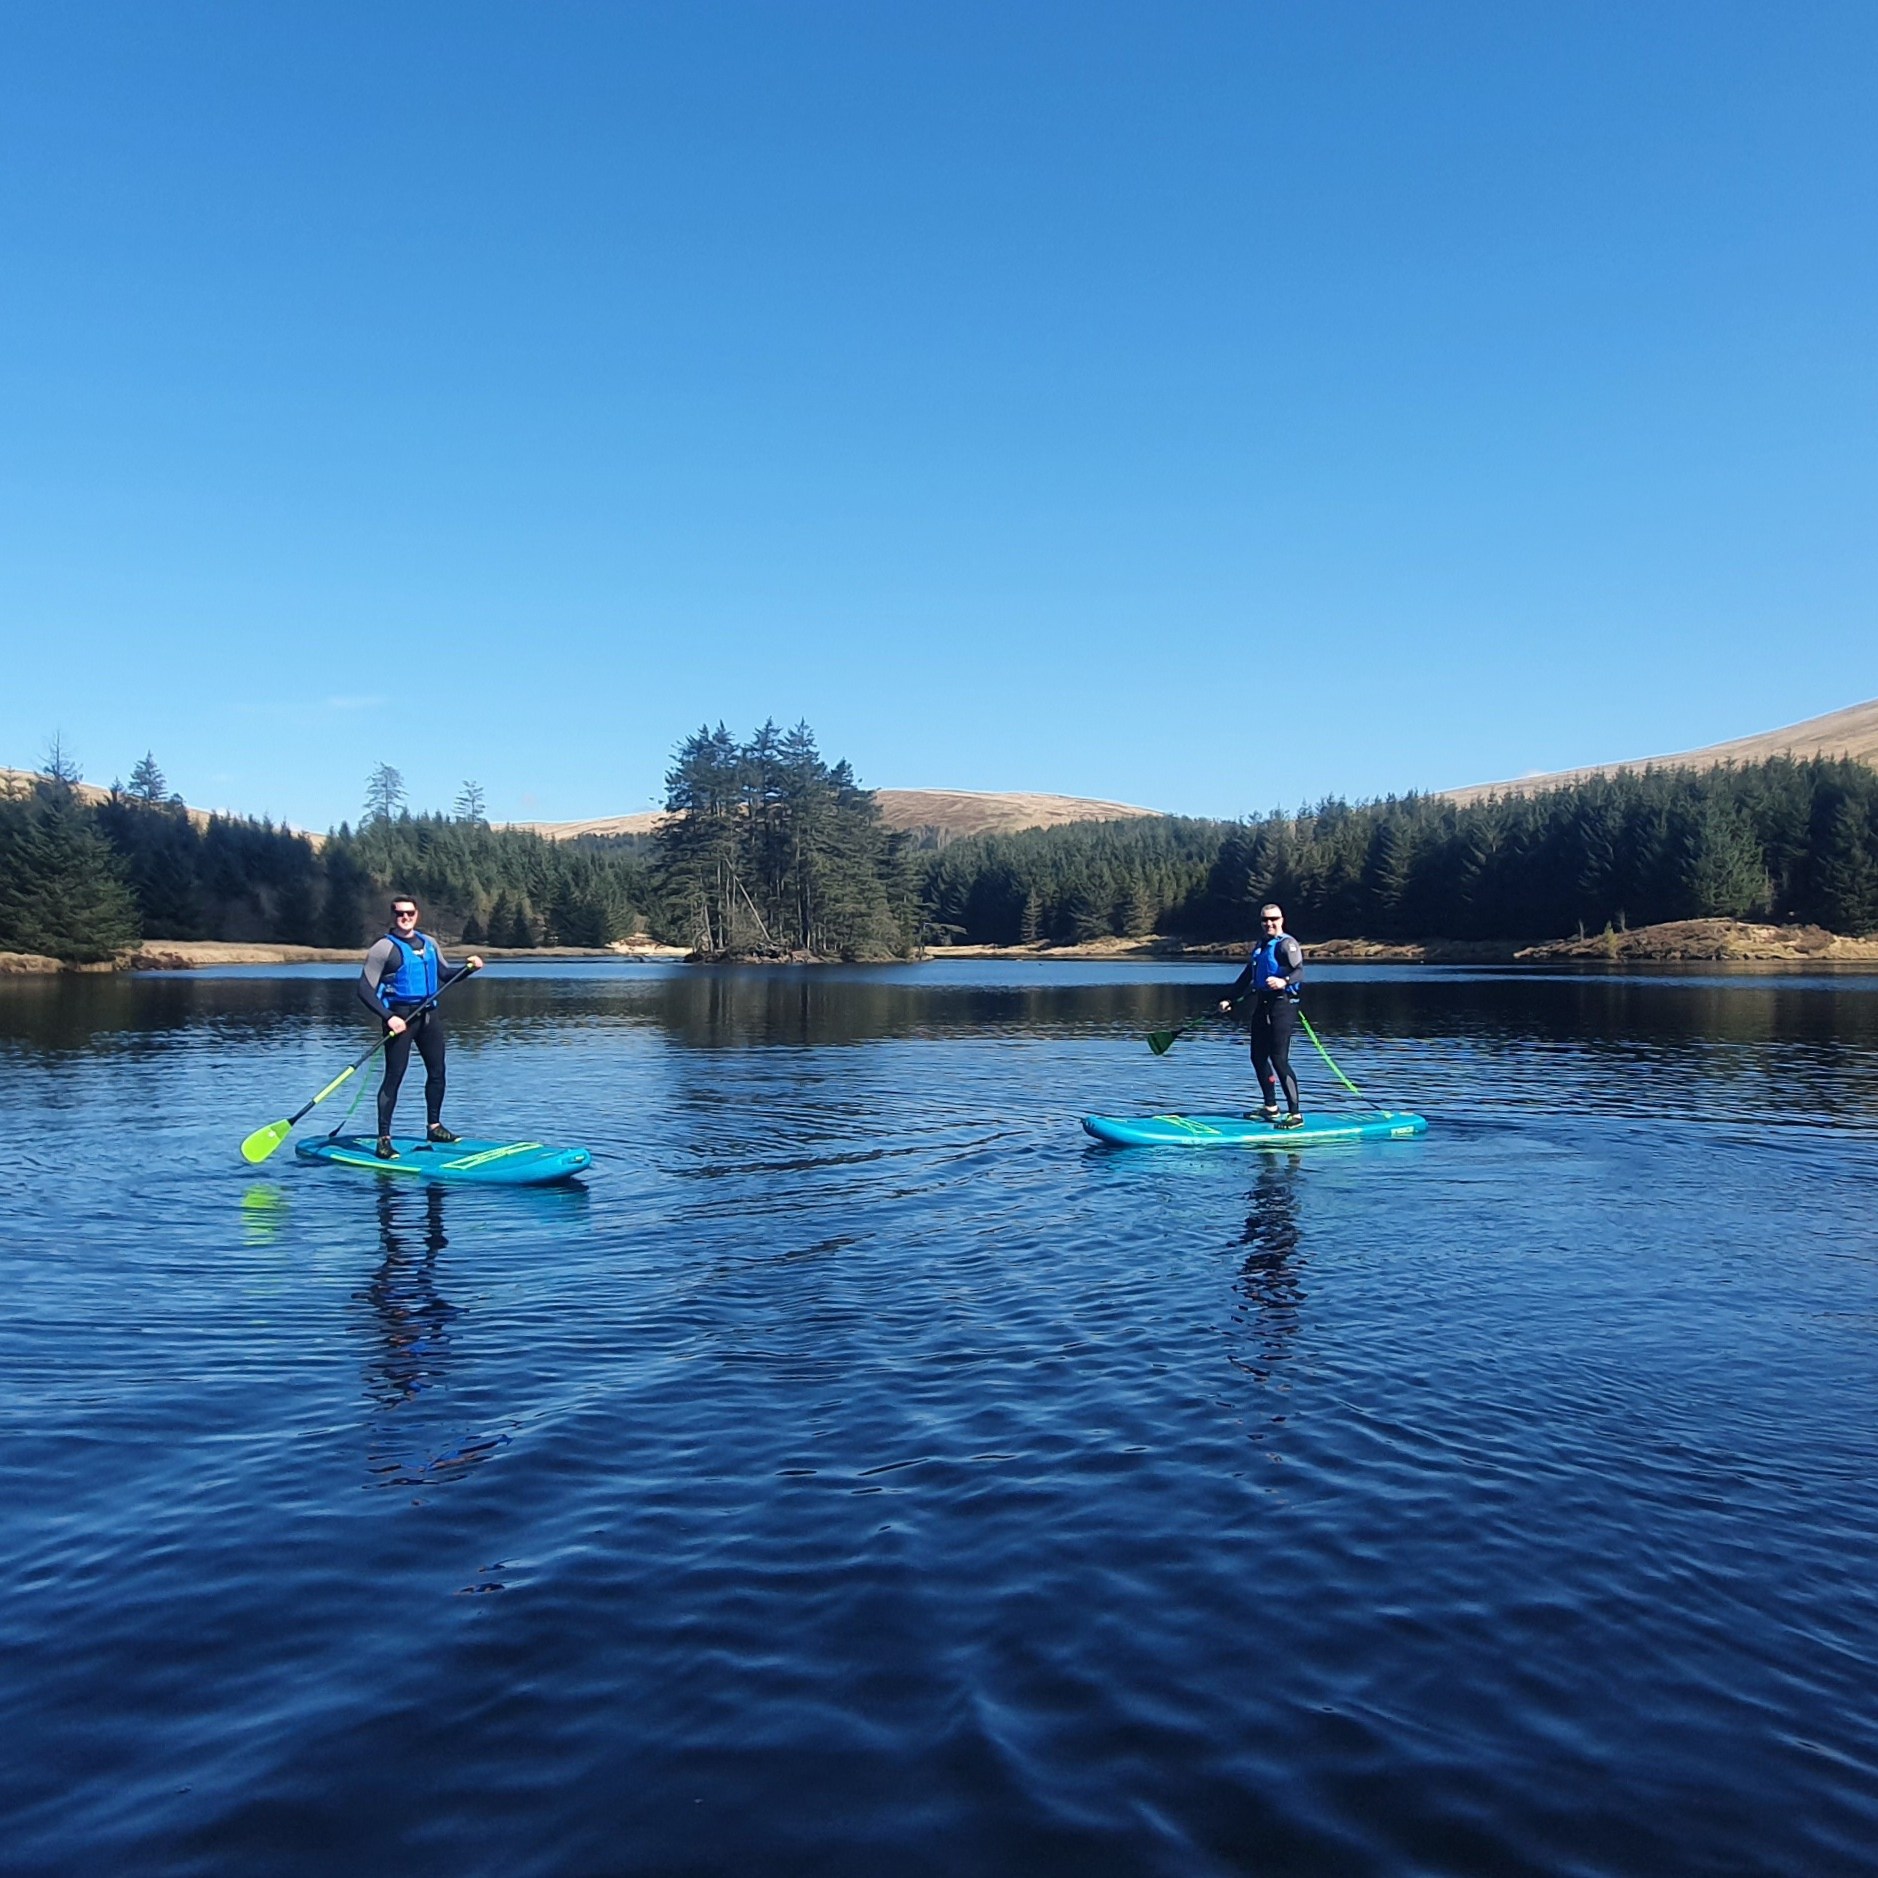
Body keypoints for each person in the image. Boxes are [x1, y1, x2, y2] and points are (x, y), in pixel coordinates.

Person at [358, 896, 482, 1158]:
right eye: (399, 913)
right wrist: (388, 1017)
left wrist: (468, 968)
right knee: (394, 1076)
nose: (405, 917)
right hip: (400, 1018)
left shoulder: (429, 944)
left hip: (429, 1017)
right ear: (392, 916)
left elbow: (446, 975)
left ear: (417, 914)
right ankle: (383, 1139)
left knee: (437, 1072)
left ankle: (434, 1127)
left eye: (410, 913)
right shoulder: (383, 948)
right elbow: (364, 990)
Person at [1219, 902, 1305, 1126]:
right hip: (1262, 1004)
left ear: (1281, 920)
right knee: (1257, 1057)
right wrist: (1229, 998)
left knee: (1279, 1059)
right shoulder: (1261, 946)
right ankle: (1271, 1107)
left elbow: (1299, 972)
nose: (1269, 923)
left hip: (1283, 1005)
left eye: (1273, 919)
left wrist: (1283, 981)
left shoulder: (1287, 944)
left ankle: (1295, 1114)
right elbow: (1247, 975)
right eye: (1265, 920)